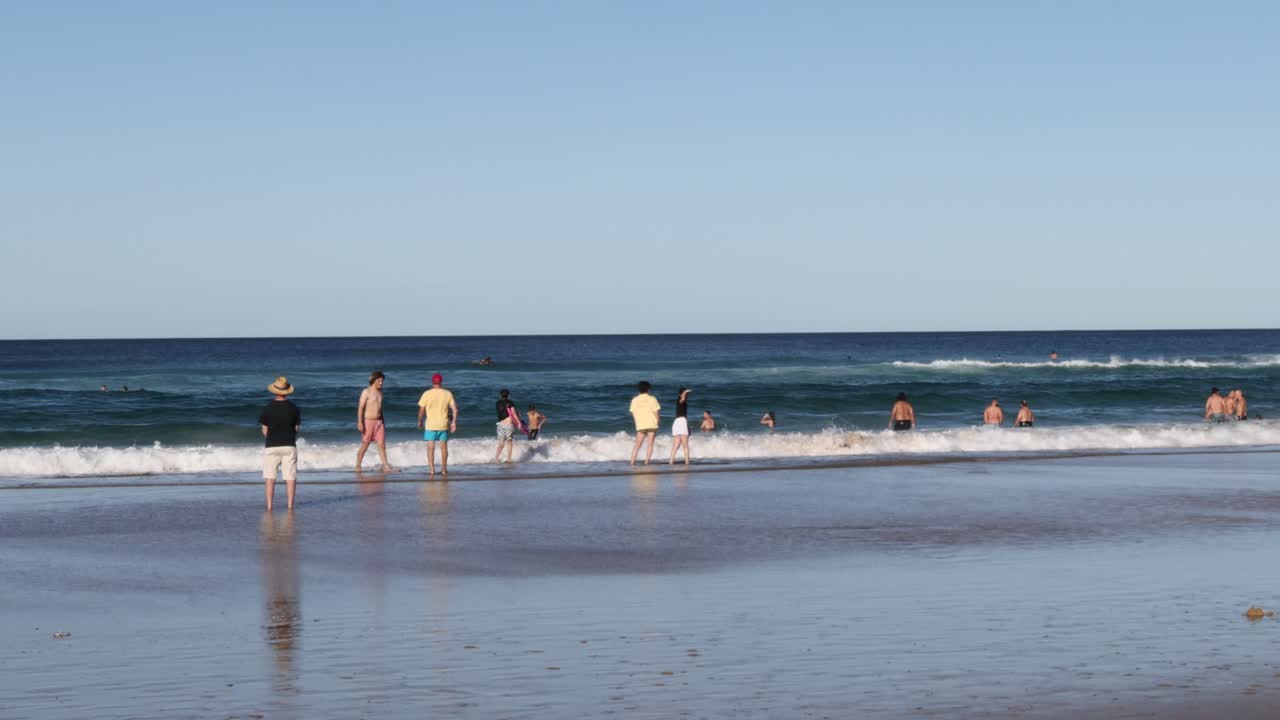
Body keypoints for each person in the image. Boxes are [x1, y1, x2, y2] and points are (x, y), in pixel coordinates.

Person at [259, 376, 301, 511]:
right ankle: (290, 506)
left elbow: (264, 430)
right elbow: (296, 429)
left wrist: (273, 436)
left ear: (274, 390)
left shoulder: (268, 408)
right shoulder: (294, 408)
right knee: (290, 477)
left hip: (272, 445)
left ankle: (269, 506)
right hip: (289, 445)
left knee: (270, 478)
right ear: (287, 391)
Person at [417, 373, 458, 477]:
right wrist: (453, 422)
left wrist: (420, 421)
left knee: (430, 448)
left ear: (432, 382)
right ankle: (444, 469)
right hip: (443, 424)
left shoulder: (427, 394)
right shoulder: (447, 393)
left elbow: (421, 410)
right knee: (444, 448)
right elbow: (455, 409)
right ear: (441, 382)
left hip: (430, 425)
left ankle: (432, 470)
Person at [356, 371, 394, 472]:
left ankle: (385, 465)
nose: (381, 383)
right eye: (379, 381)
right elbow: (361, 408)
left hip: (379, 422)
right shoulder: (366, 392)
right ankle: (358, 465)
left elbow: (380, 409)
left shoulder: (380, 392)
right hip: (368, 422)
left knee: (382, 444)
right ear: (373, 380)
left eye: (382, 381)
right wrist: (360, 422)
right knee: (365, 444)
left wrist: (383, 422)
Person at [628, 381, 660, 466]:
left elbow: (632, 412)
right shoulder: (652, 399)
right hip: (652, 423)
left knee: (637, 445)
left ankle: (632, 462)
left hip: (641, 424)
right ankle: (646, 462)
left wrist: (637, 420)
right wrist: (658, 421)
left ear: (639, 389)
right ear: (648, 389)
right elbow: (656, 412)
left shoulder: (634, 400)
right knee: (650, 444)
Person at [494, 389, 527, 463]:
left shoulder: (497, 403)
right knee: (509, 442)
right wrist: (519, 423)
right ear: (508, 395)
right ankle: (508, 459)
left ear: (500, 395)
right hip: (508, 424)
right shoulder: (510, 402)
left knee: (501, 444)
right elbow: (513, 414)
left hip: (500, 424)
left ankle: (496, 458)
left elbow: (501, 412)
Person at [669, 387, 692, 465]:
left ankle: (671, 462)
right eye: (685, 394)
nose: (686, 396)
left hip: (677, 422)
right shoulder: (680, 400)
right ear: (681, 394)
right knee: (685, 446)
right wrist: (686, 391)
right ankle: (687, 463)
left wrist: (687, 426)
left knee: (676, 445)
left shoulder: (679, 401)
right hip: (681, 422)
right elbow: (683, 399)